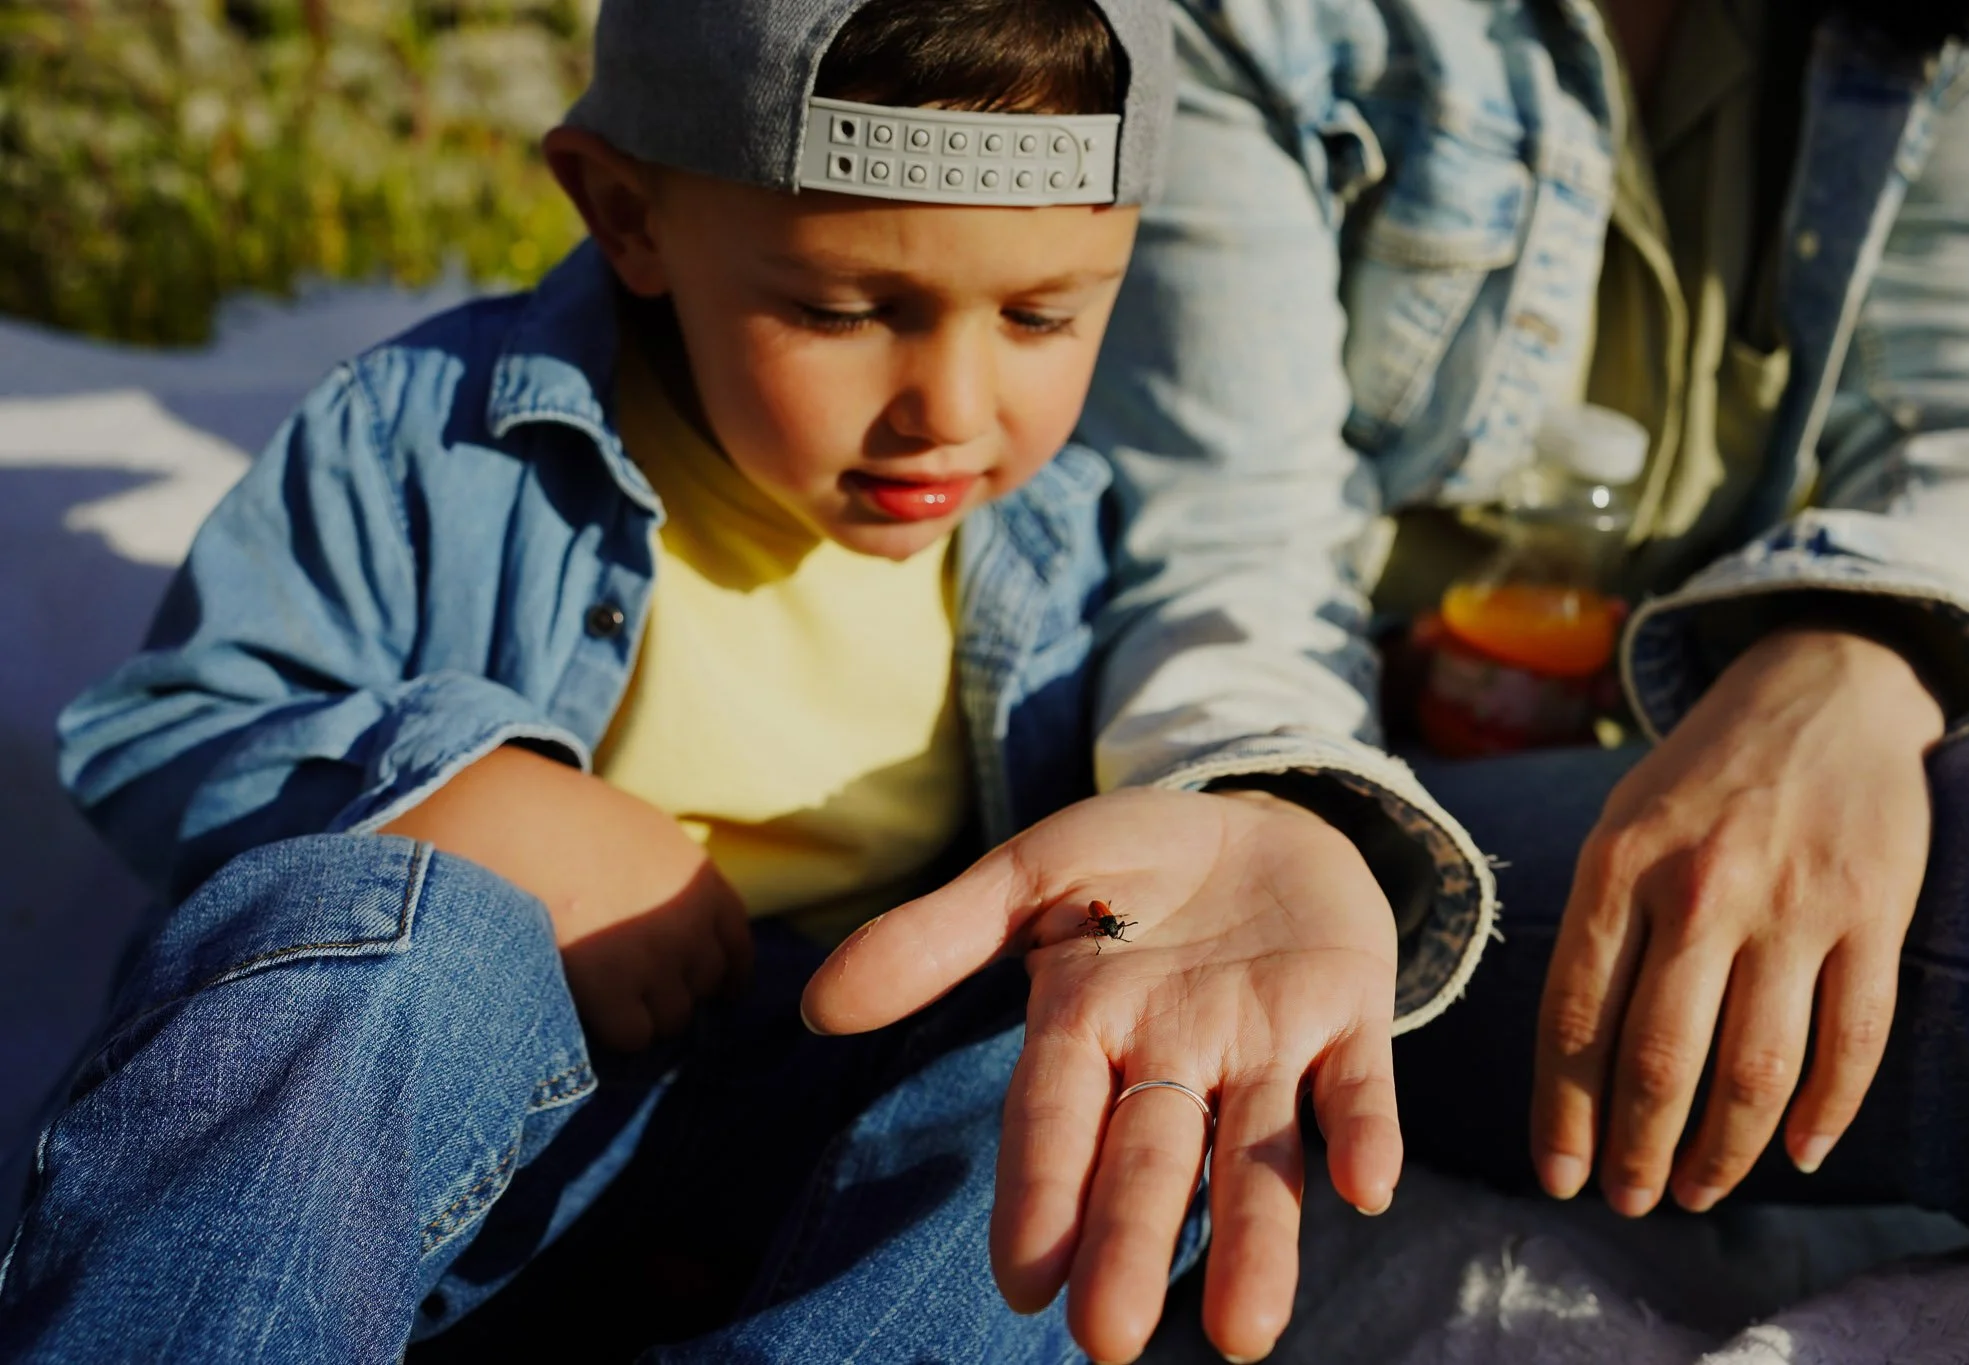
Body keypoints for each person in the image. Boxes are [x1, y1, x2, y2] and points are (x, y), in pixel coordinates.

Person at [794, 0, 1969, 1360]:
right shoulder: (1247, 25)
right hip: (1392, 842)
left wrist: (1846, 652)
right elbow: (1231, 537)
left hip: (1675, 763)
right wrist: (1287, 798)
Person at [0, 1, 1226, 1359]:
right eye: (841, 309)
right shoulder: (430, 438)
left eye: (1042, 315)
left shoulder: (1093, 530)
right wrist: (466, 793)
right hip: (449, 1155)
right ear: (625, 213)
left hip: (827, 1176)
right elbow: (164, 725)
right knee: (392, 937)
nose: (950, 400)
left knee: (1110, 1069)